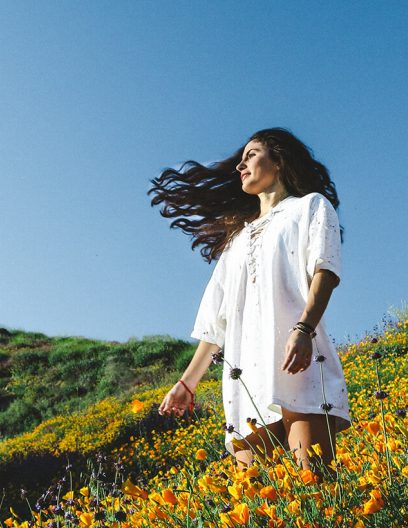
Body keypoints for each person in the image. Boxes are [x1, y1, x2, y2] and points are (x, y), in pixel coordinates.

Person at [149, 128, 351, 472]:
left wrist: (303, 329)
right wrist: (187, 383)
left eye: (252, 155)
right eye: (240, 159)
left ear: (279, 160)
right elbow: (217, 322)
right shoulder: (236, 241)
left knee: (314, 482)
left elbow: (325, 270)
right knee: (255, 499)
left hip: (298, 360)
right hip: (245, 376)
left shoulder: (310, 207)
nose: (241, 165)